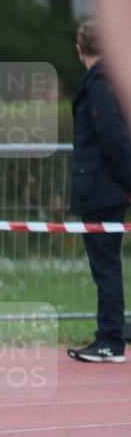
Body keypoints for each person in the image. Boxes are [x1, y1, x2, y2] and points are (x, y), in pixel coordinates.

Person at [66, 19, 130, 364]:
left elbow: (114, 140)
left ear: (79, 51)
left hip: (102, 187)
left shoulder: (100, 85)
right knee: (108, 264)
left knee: (105, 265)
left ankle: (110, 341)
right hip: (107, 185)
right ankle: (114, 331)